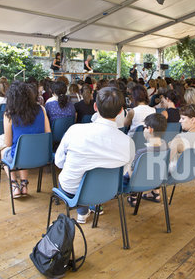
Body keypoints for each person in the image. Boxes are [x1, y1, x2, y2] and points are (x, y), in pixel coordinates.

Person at [55, 87, 135, 223]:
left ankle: (83, 210)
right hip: (107, 191)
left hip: (71, 189)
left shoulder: (75, 130)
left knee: (78, 177)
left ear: (95, 107)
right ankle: (91, 206)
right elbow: (124, 171)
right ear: (121, 111)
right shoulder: (128, 142)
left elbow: (59, 163)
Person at [1, 81, 51, 198]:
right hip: (42, 155)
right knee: (23, 150)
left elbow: (8, 143)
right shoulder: (41, 109)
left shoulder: (9, 114)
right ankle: (24, 184)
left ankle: (14, 185)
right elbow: (48, 134)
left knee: (4, 151)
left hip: (21, 156)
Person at [125, 113, 168, 207]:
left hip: (139, 184)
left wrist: (128, 163)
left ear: (150, 129)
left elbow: (133, 177)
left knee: (128, 169)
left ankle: (133, 197)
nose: (143, 130)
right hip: (157, 180)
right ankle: (155, 193)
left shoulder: (141, 153)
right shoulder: (165, 145)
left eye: (144, 127)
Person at [168, 104, 195, 174]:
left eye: (183, 118)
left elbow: (167, 160)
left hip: (178, 173)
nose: (179, 121)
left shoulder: (180, 138)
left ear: (193, 120)